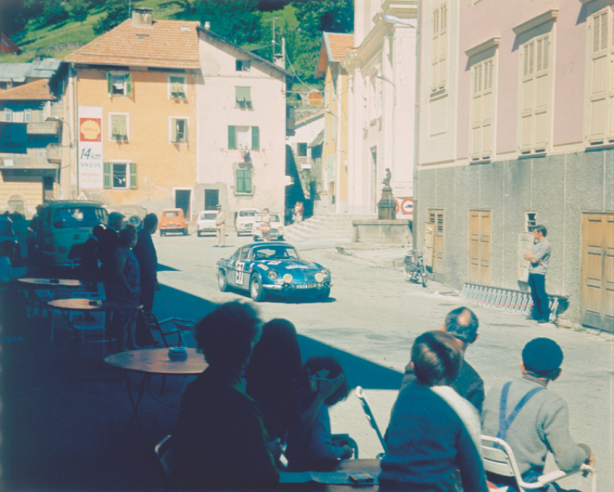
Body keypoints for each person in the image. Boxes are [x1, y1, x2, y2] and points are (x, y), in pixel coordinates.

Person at [173, 302, 279, 489]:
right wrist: (271, 453)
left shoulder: (195, 390)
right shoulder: (242, 405)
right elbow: (267, 477)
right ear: (246, 348)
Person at [481, 337, 595, 492]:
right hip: (524, 486)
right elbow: (567, 461)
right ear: (557, 374)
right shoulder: (553, 403)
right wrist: (585, 451)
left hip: (484, 481)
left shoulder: (498, 388)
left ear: (522, 365)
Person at [379, 331, 488, 492]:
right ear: (457, 367)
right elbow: (474, 482)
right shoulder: (464, 411)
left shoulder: (407, 395)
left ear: (414, 366)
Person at [399, 307, 484, 412]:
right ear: (475, 338)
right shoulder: (474, 381)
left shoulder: (420, 361)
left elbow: (402, 405)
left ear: (443, 329)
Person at [285, 356, 353, 471]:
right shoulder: (320, 408)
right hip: (311, 469)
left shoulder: (303, 402)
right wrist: (344, 451)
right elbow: (322, 450)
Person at [108, 225, 140, 352]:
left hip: (133, 293)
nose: (136, 239)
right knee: (123, 321)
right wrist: (128, 288)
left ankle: (132, 342)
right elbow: (119, 273)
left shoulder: (129, 251)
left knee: (132, 319)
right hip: (124, 294)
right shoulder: (121, 253)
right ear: (130, 239)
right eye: (135, 237)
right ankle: (122, 345)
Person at [133, 213, 160, 346]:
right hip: (145, 282)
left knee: (142, 309)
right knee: (145, 309)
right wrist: (154, 280)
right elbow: (148, 263)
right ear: (155, 225)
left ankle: (142, 336)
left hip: (143, 280)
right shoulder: (145, 238)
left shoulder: (141, 236)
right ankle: (143, 337)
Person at [524, 225, 552, 324]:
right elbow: (526, 255)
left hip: (539, 272)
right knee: (534, 294)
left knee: (541, 294)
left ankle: (545, 316)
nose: (533, 234)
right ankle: (537, 314)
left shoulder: (545, 245)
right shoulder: (536, 244)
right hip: (532, 271)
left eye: (534, 232)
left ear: (540, 233)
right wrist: (532, 258)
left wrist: (533, 259)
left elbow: (535, 259)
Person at [99, 211, 124, 292]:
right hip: (112, 270)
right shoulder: (115, 236)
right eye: (121, 221)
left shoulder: (102, 233)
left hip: (104, 268)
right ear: (116, 222)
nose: (122, 224)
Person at [79, 225, 104, 292]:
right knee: (92, 286)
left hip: (89, 268)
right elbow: (91, 258)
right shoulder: (92, 243)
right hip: (90, 268)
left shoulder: (90, 242)